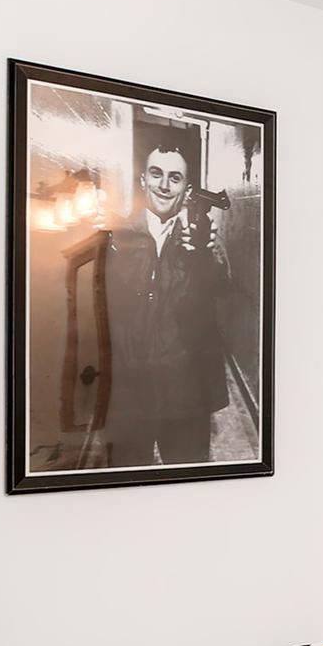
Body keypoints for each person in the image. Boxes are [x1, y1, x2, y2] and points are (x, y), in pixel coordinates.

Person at [101, 145, 229, 466]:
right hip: (130, 391)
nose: (164, 185)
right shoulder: (116, 238)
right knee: (125, 481)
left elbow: (220, 289)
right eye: (156, 174)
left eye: (174, 178)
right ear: (143, 180)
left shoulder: (200, 241)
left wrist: (206, 254)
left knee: (190, 482)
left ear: (186, 190)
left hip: (185, 391)